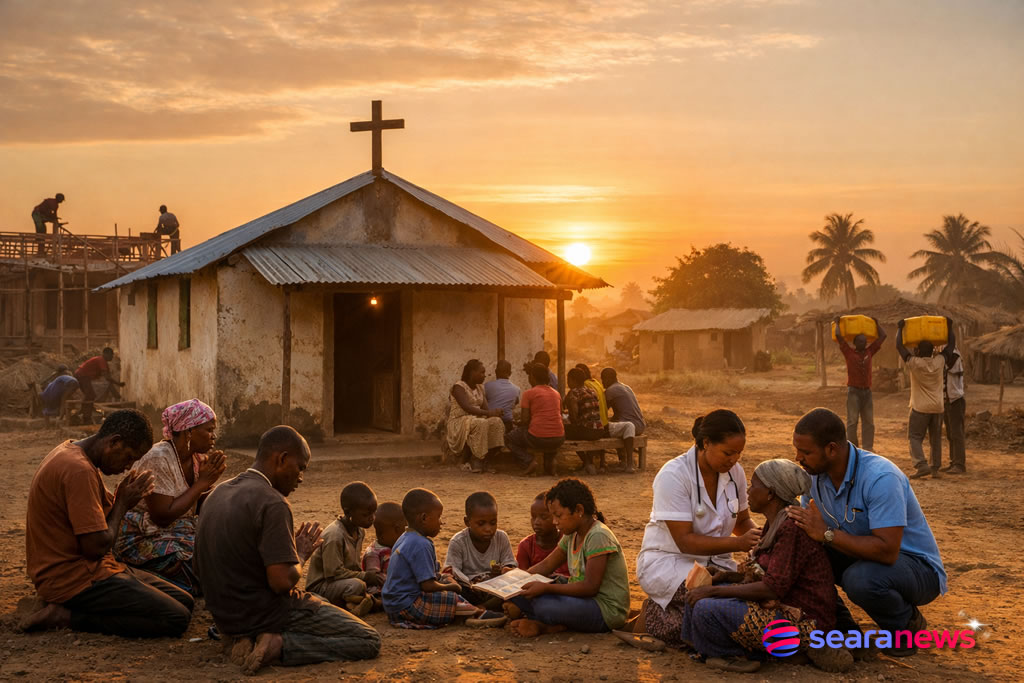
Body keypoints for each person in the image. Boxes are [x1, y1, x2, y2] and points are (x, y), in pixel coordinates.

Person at [194, 425, 381, 674]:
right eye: (300, 467)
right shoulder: (273, 502)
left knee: (322, 600)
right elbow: (282, 583)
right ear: (281, 459)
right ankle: (279, 646)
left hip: (225, 616)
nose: (301, 478)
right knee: (369, 639)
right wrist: (300, 554)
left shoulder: (217, 493)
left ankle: (244, 637)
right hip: (266, 613)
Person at [20, 409, 195, 638]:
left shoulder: (74, 452)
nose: (128, 466)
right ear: (114, 442)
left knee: (185, 601)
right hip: (72, 578)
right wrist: (123, 504)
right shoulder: (78, 470)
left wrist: (124, 498)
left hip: (93, 568)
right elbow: (95, 548)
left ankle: (77, 607)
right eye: (129, 457)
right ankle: (66, 616)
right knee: (175, 618)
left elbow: (97, 516)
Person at [788, 408, 947, 658]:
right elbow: (809, 528)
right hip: (864, 557)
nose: (798, 458)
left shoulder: (881, 478)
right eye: (797, 450)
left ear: (831, 449)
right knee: (803, 556)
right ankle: (845, 631)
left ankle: (906, 626)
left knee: (860, 580)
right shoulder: (814, 476)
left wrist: (827, 534)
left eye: (806, 452)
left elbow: (887, 551)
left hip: (916, 569)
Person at [680, 459, 849, 674]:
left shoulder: (791, 528)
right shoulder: (776, 522)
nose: (748, 492)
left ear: (770, 493)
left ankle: (733, 654)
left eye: (753, 485)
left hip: (805, 623)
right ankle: (706, 647)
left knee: (706, 606)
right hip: (783, 608)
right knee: (697, 596)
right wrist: (724, 577)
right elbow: (764, 574)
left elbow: (772, 587)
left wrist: (713, 590)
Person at [633, 410, 759, 649]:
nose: (734, 460)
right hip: (671, 563)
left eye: (739, 453)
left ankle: (663, 612)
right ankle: (652, 617)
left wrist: (760, 540)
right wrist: (739, 544)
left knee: (740, 601)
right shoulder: (674, 475)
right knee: (717, 609)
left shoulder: (735, 473)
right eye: (728, 452)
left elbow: (742, 522)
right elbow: (685, 541)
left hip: (717, 565)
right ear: (705, 443)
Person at [113, 399, 226, 596]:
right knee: (200, 564)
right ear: (189, 431)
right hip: (144, 534)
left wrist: (219, 493)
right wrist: (202, 483)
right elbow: (162, 516)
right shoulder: (159, 458)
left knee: (221, 548)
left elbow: (193, 504)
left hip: (178, 528)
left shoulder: (196, 458)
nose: (213, 436)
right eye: (208, 430)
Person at [509, 478, 630, 636]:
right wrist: (516, 578)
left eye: (558, 516)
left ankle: (546, 623)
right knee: (519, 593)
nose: (555, 522)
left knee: (543, 606)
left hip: (604, 610)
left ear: (579, 510)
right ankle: (552, 624)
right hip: (581, 601)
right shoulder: (572, 534)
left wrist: (546, 587)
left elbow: (590, 587)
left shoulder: (598, 535)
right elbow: (546, 565)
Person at [381, 488, 506, 629]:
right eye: (439, 517)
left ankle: (467, 612)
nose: (441, 523)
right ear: (424, 518)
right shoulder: (421, 544)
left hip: (392, 605)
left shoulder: (404, 537)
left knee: (446, 580)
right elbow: (428, 586)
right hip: (407, 606)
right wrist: (452, 587)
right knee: (450, 597)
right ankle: (476, 614)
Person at [306, 482, 380, 617]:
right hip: (321, 586)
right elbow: (333, 573)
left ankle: (360, 601)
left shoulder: (359, 531)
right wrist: (365, 577)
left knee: (372, 584)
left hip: (342, 582)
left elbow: (354, 568)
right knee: (358, 586)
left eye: (374, 513)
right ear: (348, 512)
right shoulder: (335, 536)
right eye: (366, 514)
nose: (372, 518)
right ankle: (352, 606)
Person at [896, 317, 957, 479]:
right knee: (935, 439)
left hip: (920, 408)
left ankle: (921, 465)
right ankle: (935, 469)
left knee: (914, 437)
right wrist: (949, 326)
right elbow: (951, 345)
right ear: (933, 351)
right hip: (938, 407)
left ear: (917, 351)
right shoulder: (939, 361)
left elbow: (899, 346)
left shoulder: (914, 363)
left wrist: (900, 329)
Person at [443, 491, 517, 605]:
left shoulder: (501, 537)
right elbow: (452, 571)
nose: (488, 529)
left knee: (516, 588)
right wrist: (472, 583)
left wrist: (503, 570)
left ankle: (480, 609)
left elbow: (510, 565)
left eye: (493, 523)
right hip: (470, 590)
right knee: (450, 588)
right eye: (481, 523)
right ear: (467, 522)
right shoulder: (458, 542)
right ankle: (484, 608)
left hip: (496, 588)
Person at [834, 316, 886, 450]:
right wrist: (838, 323)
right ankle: (853, 448)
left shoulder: (870, 351)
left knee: (869, 422)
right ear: (855, 343)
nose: (863, 343)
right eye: (860, 341)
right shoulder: (848, 352)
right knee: (852, 422)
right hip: (854, 391)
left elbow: (883, 336)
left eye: (865, 341)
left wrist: (876, 323)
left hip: (867, 392)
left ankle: (868, 448)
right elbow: (839, 336)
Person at [445, 359, 505, 473]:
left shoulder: (480, 388)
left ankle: (487, 459)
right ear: (472, 372)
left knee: (496, 422)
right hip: (459, 421)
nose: (484, 375)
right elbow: (466, 407)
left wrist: (495, 413)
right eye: (482, 372)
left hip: (475, 419)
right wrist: (488, 413)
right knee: (480, 423)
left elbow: (486, 409)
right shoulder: (459, 387)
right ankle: (477, 458)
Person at [507, 363, 565, 476]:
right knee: (549, 435)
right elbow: (559, 414)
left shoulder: (528, 394)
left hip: (537, 438)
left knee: (509, 438)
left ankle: (529, 461)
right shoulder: (556, 393)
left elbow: (524, 420)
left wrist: (517, 423)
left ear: (532, 377)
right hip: (559, 438)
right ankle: (551, 462)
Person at [601, 367, 646, 473]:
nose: (602, 383)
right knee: (617, 424)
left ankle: (624, 461)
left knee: (608, 428)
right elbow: (619, 413)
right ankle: (624, 460)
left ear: (607, 379)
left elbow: (603, 411)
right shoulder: (626, 387)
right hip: (641, 424)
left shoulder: (610, 391)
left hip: (632, 426)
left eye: (602, 380)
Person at [564, 368, 606, 475]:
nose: (567, 382)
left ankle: (587, 463)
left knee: (563, 431)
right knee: (580, 429)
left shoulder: (573, 393)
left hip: (587, 430)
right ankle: (589, 462)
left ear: (573, 380)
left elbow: (574, 416)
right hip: (600, 430)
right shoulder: (592, 391)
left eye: (568, 379)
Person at [516, 492, 569, 577]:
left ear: (555, 516)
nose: (536, 522)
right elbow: (522, 578)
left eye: (543, 517)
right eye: (533, 517)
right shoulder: (526, 546)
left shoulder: (568, 539)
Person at [362, 502, 406, 598]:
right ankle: (374, 603)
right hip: (380, 588)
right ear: (396, 529)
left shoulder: (394, 547)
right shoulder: (373, 553)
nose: (404, 536)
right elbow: (374, 577)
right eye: (402, 532)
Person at [74, 348, 125, 423]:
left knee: (91, 395)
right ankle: (85, 415)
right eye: (111, 355)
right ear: (106, 354)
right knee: (90, 395)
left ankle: (85, 413)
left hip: (84, 376)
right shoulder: (101, 360)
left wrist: (117, 395)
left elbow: (108, 379)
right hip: (82, 375)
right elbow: (107, 377)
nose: (112, 357)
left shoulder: (104, 363)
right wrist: (118, 384)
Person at [943, 346, 966, 474]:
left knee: (957, 434)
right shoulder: (949, 355)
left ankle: (959, 464)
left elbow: (946, 363)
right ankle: (954, 462)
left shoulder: (954, 356)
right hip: (949, 400)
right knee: (951, 434)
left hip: (956, 400)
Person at [484, 359, 521, 432]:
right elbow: (515, 403)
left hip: (490, 422)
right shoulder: (517, 389)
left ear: (496, 372)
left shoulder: (486, 386)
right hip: (507, 424)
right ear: (510, 373)